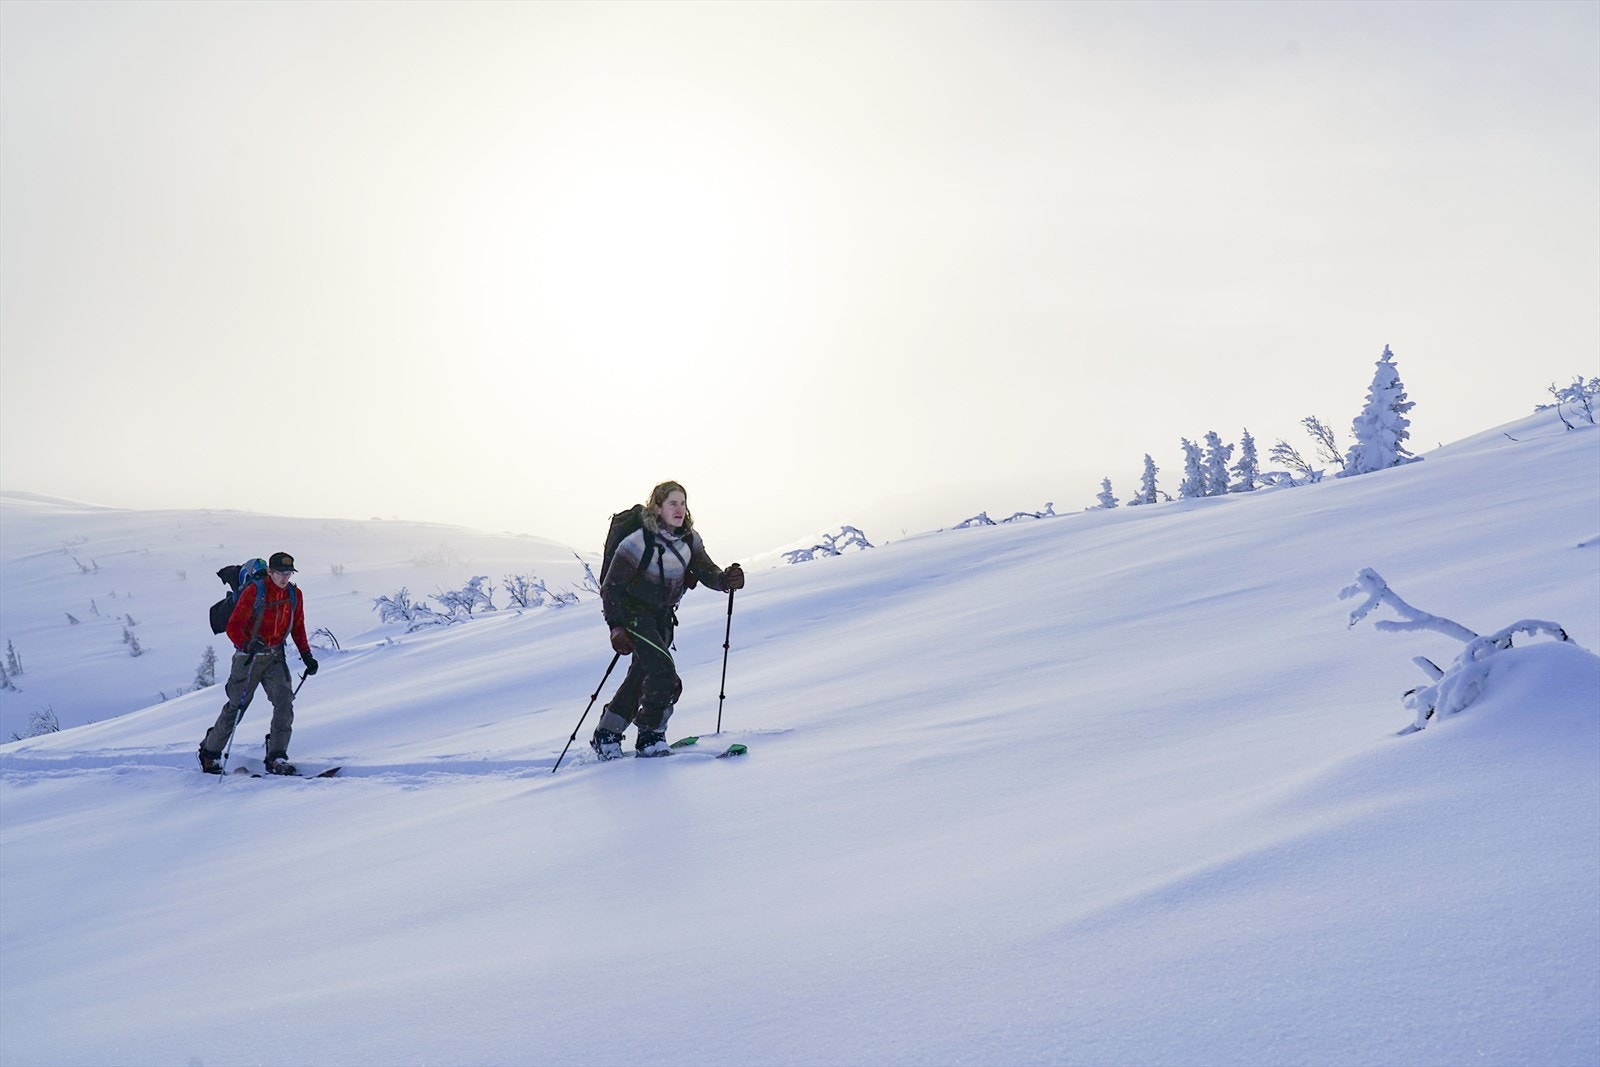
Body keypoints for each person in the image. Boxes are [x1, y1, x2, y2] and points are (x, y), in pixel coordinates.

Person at [594, 481, 744, 759]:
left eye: (683, 503)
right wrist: (616, 627)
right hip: (634, 617)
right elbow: (611, 588)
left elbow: (706, 571)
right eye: (672, 503)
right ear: (658, 507)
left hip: (662, 618)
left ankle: (607, 733)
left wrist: (726, 581)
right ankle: (650, 737)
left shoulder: (689, 539)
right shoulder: (638, 541)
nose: (679, 509)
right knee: (663, 674)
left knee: (642, 676)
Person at [197, 551, 318, 774]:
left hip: (274, 656)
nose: (285, 578)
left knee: (284, 703)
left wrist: (306, 655)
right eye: (280, 573)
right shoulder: (255, 591)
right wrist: (247, 644)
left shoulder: (294, 594)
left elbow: (298, 625)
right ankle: (210, 752)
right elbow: (234, 626)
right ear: (270, 572)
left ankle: (276, 756)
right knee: (237, 707)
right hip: (248, 658)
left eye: (289, 573)